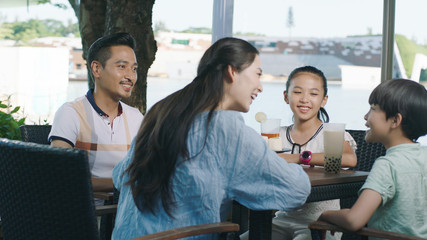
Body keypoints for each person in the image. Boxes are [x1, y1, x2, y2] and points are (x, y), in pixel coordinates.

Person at [112, 37, 311, 239]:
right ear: (232, 71)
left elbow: (120, 176)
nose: (260, 86)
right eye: (257, 74)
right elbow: (296, 190)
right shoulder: (225, 127)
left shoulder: (162, 112)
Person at [246, 66, 357, 240]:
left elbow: (349, 159)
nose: (305, 99)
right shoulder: (276, 134)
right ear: (285, 96)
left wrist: (298, 157)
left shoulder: (331, 133)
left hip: (320, 222)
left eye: (313, 94)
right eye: (298, 92)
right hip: (282, 219)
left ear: (324, 100)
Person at [318, 79, 427, 239]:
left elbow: (354, 220)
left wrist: (325, 215)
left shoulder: (388, 165)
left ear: (395, 120)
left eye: (373, 109)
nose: (365, 116)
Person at [48, 32, 143, 199]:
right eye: (122, 66)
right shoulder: (71, 113)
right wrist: (122, 182)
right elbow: (60, 174)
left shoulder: (136, 117)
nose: (130, 76)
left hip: (128, 210)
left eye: (134, 68)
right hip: (87, 215)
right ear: (97, 69)